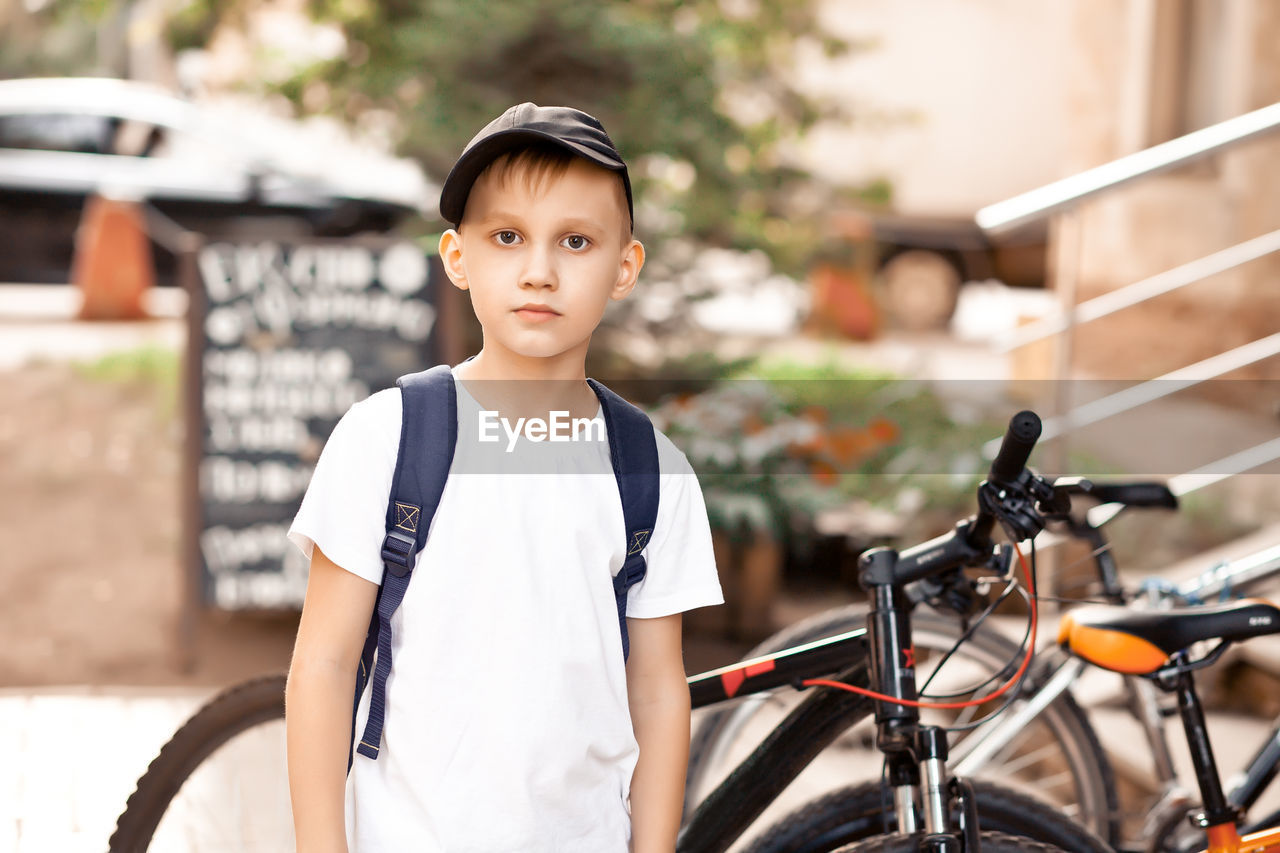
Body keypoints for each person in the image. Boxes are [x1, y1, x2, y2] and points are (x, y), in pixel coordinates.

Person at [284, 102, 724, 852]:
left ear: (625, 267)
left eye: (576, 241)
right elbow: (322, 666)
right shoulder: (387, 438)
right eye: (508, 236)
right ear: (459, 258)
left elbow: (657, 691)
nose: (539, 270)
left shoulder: (653, 471)